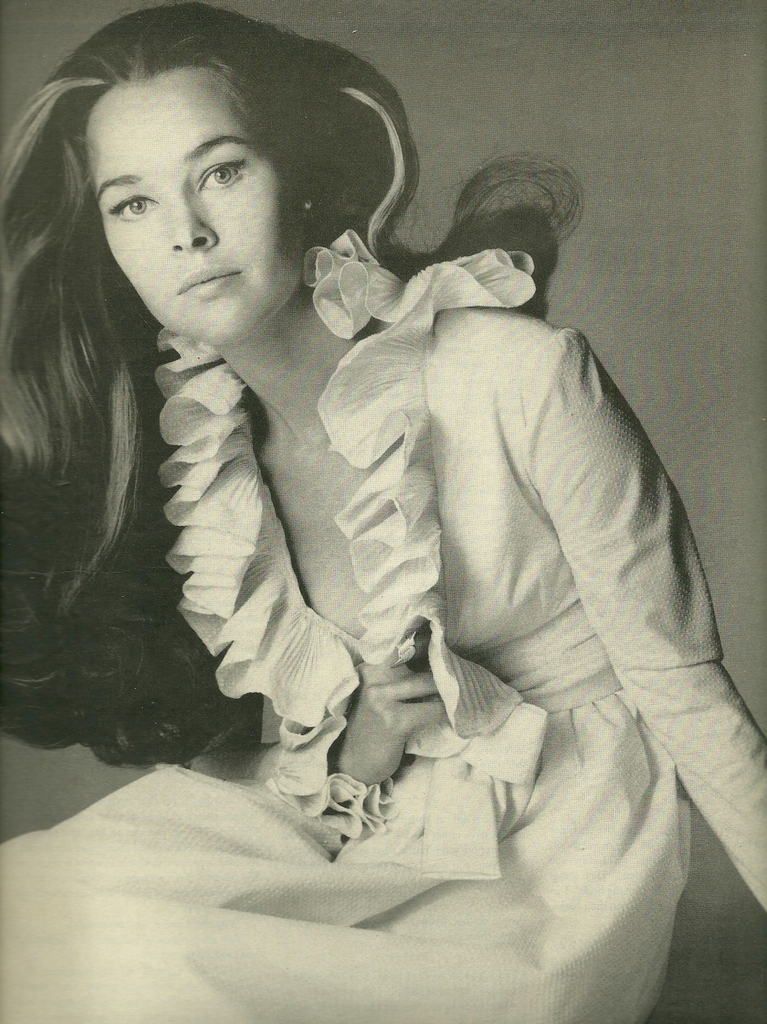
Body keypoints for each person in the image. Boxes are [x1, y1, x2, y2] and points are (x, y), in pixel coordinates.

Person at [0, 3, 764, 1022]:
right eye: (131, 203)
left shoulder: (517, 373)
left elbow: (683, 689)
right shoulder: (194, 459)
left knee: (162, 966)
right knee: (34, 907)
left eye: (221, 172)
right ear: (105, 245)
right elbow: (320, 758)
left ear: (302, 174)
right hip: (375, 824)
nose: (186, 232)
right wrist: (364, 736)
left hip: (559, 845)